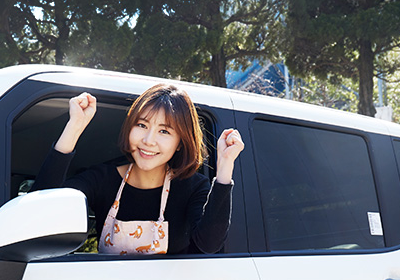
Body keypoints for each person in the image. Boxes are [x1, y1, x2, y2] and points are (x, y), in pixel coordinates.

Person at [32, 83, 244, 255]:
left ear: (180, 143)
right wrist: (75, 126)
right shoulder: (102, 179)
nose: (148, 140)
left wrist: (225, 168)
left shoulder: (193, 187)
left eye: (164, 131)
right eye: (142, 125)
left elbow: (210, 244)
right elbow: (40, 212)